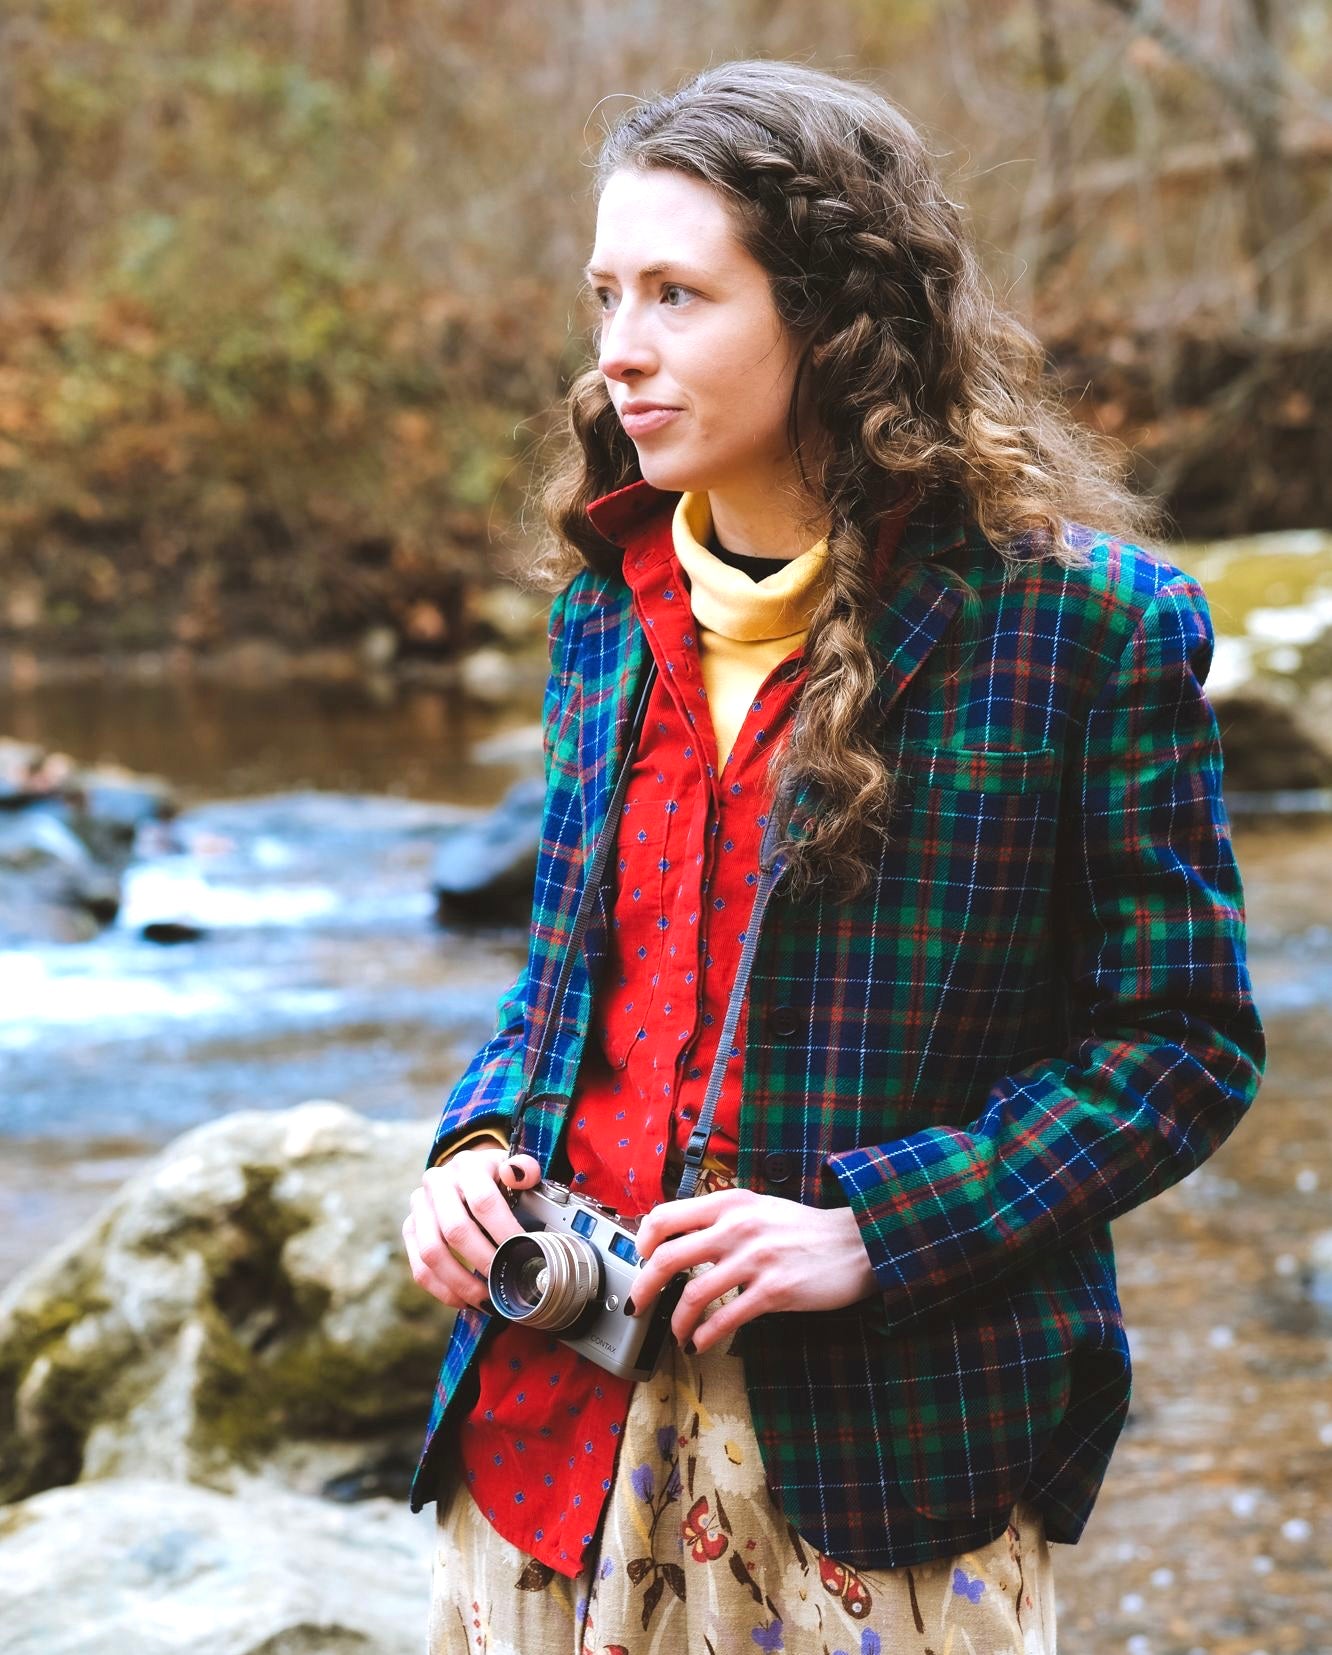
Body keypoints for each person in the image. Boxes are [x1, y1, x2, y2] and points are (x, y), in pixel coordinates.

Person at [401, 58, 1264, 1655]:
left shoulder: (1083, 630)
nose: (619, 350)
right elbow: (561, 987)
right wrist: (469, 1155)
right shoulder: (606, 600)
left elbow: (1183, 1049)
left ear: (833, 314)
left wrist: (873, 1231)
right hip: (548, 1450)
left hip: (888, 1473)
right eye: (605, 293)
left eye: (677, 292)